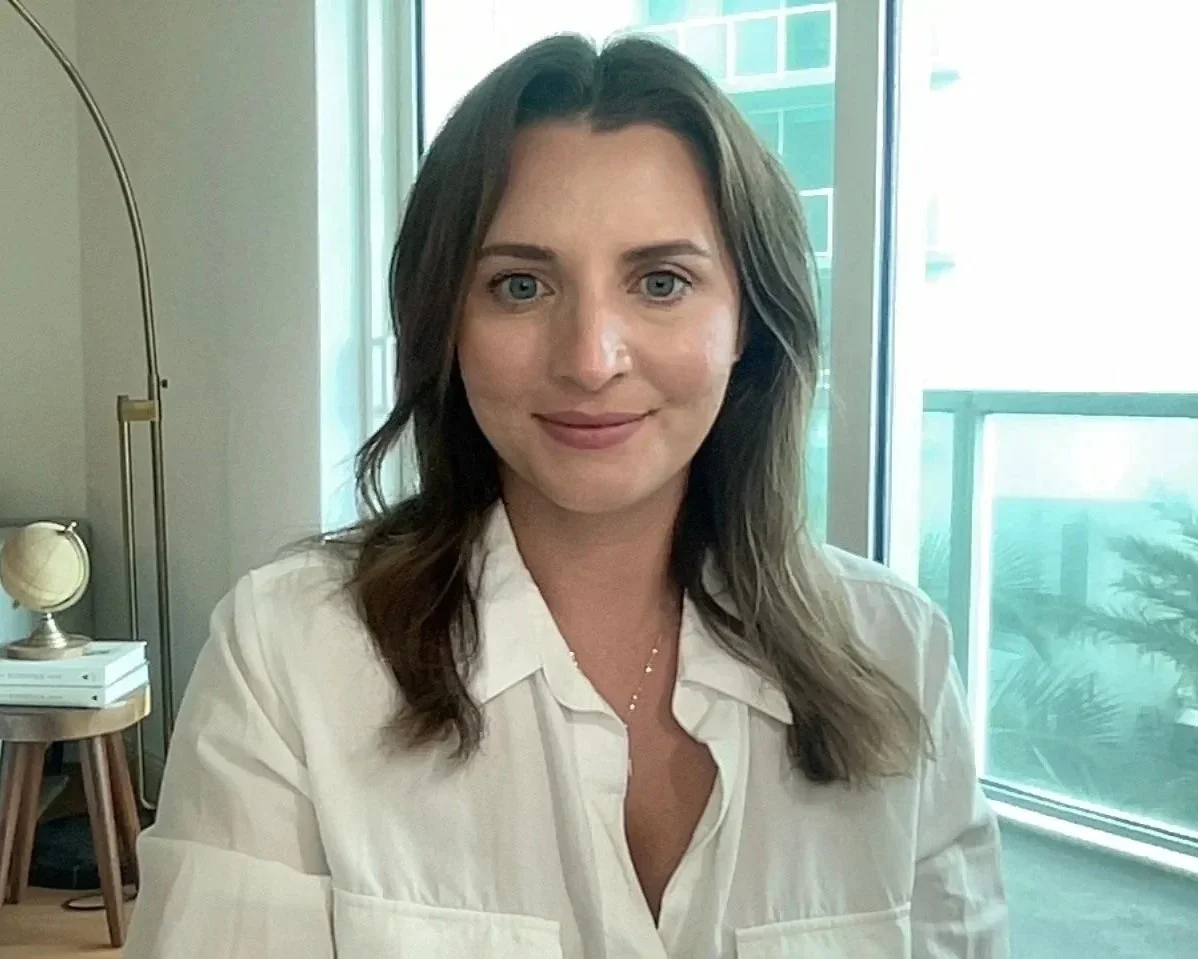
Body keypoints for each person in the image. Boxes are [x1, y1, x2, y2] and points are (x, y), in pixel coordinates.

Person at [124, 34, 1007, 958]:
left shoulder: (898, 657)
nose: (589, 358)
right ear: (447, 322)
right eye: (520, 285)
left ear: (748, 317)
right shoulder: (290, 657)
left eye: (661, 282)